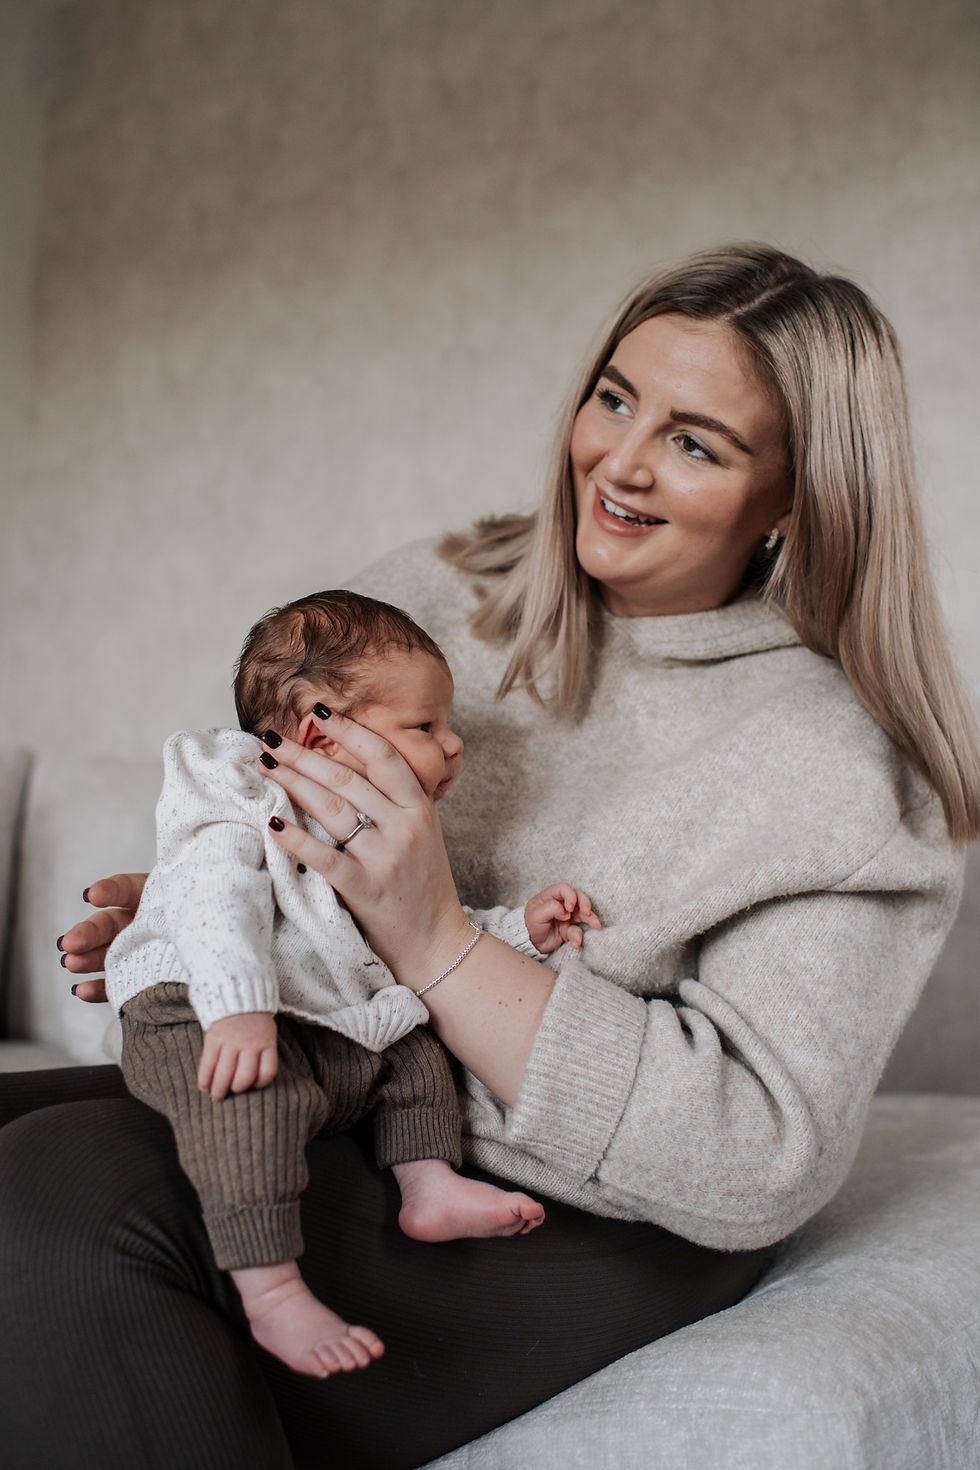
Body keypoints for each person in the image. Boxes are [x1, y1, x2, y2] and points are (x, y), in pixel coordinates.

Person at [3, 243, 979, 1470]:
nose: (617, 462)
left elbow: (757, 1155)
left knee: (67, 1196)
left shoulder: (842, 762)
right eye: (615, 397)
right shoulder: (437, 593)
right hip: (348, 1088)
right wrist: (229, 904)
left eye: (696, 442)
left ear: (794, 497)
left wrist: (432, 938)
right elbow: (299, 825)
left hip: (579, 1208)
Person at [106, 588, 600, 1380]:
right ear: (319, 733)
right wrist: (235, 1009)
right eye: (426, 727)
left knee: (410, 1038)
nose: (456, 745)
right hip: (199, 1006)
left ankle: (428, 1183)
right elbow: (210, 899)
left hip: (316, 1012)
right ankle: (269, 1291)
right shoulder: (238, 795)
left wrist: (517, 933)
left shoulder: (361, 824)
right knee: (246, 1106)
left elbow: (416, 924)